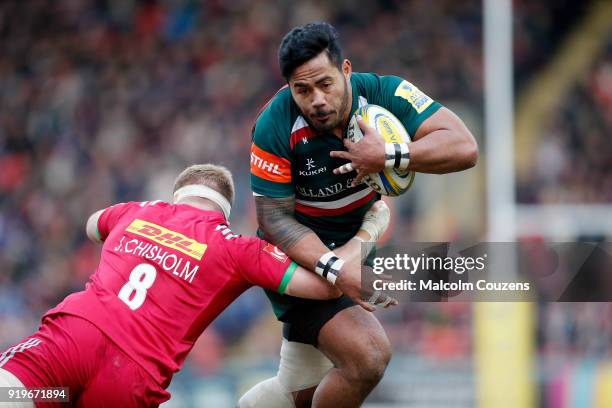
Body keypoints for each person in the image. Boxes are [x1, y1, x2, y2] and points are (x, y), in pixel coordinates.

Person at [0, 164, 392, 408]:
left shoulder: (137, 212)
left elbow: (92, 225)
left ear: (176, 195)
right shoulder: (236, 248)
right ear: (224, 211)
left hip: (74, 336)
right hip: (133, 375)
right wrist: (370, 228)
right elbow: (326, 286)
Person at [242, 22, 478, 407]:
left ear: (346, 70)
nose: (316, 99)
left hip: (353, 245)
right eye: (302, 90)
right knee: (368, 355)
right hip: (298, 260)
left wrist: (389, 154)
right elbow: (273, 219)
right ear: (289, 87)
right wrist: (336, 269)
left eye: (325, 84)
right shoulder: (274, 124)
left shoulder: (385, 93)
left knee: (296, 394)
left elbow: (464, 147)